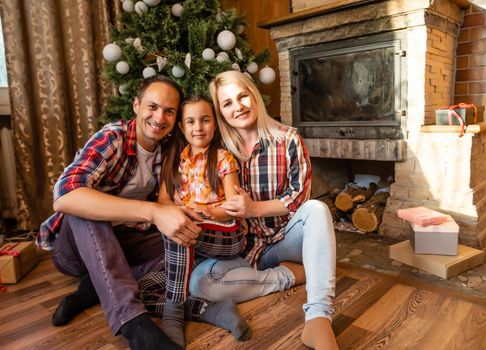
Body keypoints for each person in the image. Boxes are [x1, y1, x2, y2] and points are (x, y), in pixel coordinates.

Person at [37, 75, 245, 350]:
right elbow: (64, 195)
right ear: (136, 105)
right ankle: (134, 325)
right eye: (152, 106)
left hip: (128, 243)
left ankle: (97, 290)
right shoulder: (114, 138)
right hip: (75, 249)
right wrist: (153, 212)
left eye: (169, 111)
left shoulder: (170, 150)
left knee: (181, 235)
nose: (159, 118)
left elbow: (180, 195)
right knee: (84, 209)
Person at [188, 70, 339, 349]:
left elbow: (298, 198)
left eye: (242, 96)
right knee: (200, 284)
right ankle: (290, 275)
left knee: (317, 209)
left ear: (253, 94)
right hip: (244, 248)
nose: (238, 107)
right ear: (220, 111)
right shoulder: (219, 151)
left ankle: (318, 317)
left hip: (285, 239)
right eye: (228, 103)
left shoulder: (288, 139)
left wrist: (253, 208)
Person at [158, 95, 250, 346]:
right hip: (191, 243)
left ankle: (174, 312)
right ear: (181, 127)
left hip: (226, 236)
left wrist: (205, 214)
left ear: (215, 124)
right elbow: (163, 202)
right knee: (143, 288)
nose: (198, 127)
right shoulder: (174, 160)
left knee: (181, 224)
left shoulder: (222, 158)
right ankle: (214, 311)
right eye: (190, 121)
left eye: (205, 120)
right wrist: (182, 213)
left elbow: (233, 208)